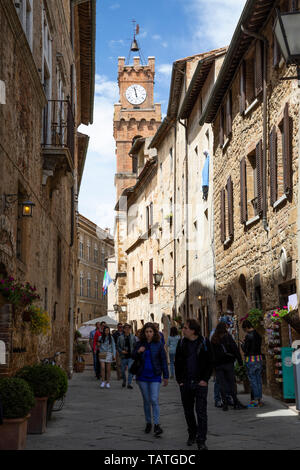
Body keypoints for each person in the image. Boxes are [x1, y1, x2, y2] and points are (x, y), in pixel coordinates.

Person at [175, 318, 213, 451]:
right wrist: (179, 380)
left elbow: (210, 362)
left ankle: (201, 440)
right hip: (185, 383)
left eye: (185, 328)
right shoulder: (181, 343)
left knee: (201, 412)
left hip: (200, 383)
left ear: (193, 330)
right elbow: (177, 362)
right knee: (188, 411)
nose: (183, 330)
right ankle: (192, 433)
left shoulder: (204, 342)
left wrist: (205, 380)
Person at [133, 323, 169, 437]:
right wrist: (138, 352)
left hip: (155, 375)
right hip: (142, 376)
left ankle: (157, 424)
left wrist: (166, 376)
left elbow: (163, 360)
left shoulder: (158, 345)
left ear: (154, 333)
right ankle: (148, 422)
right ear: (144, 333)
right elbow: (133, 356)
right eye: (147, 332)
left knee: (154, 399)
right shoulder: (139, 344)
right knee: (146, 400)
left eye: (150, 332)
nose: (148, 334)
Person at [211, 323, 246, 412]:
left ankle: (225, 404)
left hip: (218, 365)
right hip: (228, 364)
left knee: (222, 384)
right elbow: (235, 349)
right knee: (231, 383)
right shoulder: (227, 337)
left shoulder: (213, 339)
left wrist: (213, 366)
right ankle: (235, 403)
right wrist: (240, 361)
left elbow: (211, 354)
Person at [241, 320, 263, 408]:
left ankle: (256, 400)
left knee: (253, 380)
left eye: (244, 329)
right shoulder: (258, 334)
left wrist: (242, 344)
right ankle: (259, 400)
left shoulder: (248, 336)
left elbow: (245, 349)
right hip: (259, 359)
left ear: (246, 328)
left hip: (251, 359)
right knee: (258, 380)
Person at [117, 324, 136, 389]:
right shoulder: (120, 337)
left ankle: (129, 383)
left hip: (131, 356)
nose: (127, 329)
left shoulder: (133, 337)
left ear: (130, 329)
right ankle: (124, 380)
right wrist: (121, 351)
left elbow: (135, 346)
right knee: (122, 370)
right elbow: (118, 346)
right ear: (124, 329)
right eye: (126, 328)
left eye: (128, 328)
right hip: (123, 356)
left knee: (130, 370)